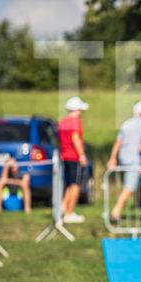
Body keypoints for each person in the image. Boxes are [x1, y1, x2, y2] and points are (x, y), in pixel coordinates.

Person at [107, 101, 141, 222]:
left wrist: (113, 158)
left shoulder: (126, 124)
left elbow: (118, 142)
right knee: (130, 187)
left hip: (125, 159)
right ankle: (115, 212)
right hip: (135, 160)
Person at [58, 96, 89, 224]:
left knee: (69, 184)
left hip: (65, 156)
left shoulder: (62, 121)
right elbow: (75, 139)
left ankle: (62, 209)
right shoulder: (75, 121)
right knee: (76, 185)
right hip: (74, 156)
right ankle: (69, 213)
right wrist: (82, 154)